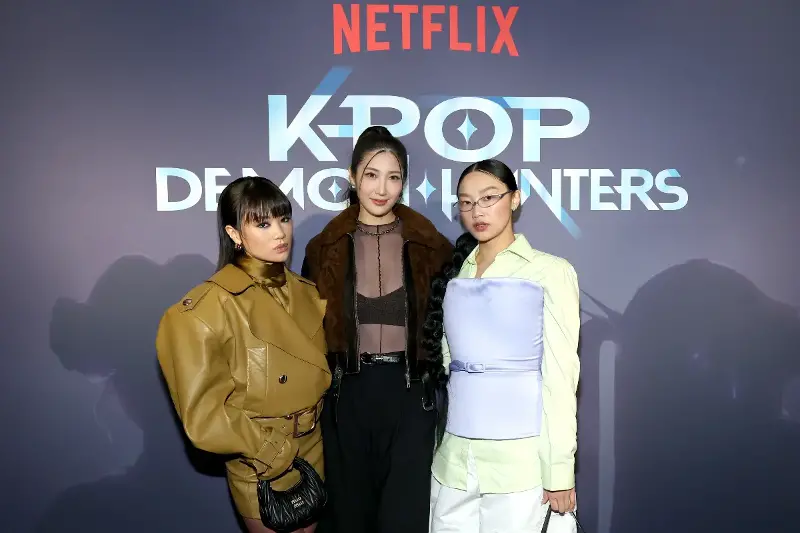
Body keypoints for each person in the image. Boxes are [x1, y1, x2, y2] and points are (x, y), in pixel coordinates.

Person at [156, 177, 331, 533]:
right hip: (259, 456)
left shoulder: (308, 293)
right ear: (234, 234)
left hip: (311, 448)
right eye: (263, 224)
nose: (280, 232)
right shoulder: (205, 310)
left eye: (284, 218)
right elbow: (205, 415)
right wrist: (268, 450)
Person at [301, 126, 453, 533]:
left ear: (404, 183)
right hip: (346, 397)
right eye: (371, 174)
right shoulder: (323, 249)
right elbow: (308, 334)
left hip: (411, 398)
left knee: (405, 518)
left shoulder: (433, 248)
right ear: (352, 177)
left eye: (393, 177)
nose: (382, 188)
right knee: (348, 519)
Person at [424, 159, 581, 533]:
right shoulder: (453, 274)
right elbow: (447, 364)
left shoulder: (550, 271)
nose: (477, 211)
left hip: (519, 467)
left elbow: (560, 378)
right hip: (453, 462)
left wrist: (559, 470)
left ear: (515, 199)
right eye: (466, 202)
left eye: (488, 197)